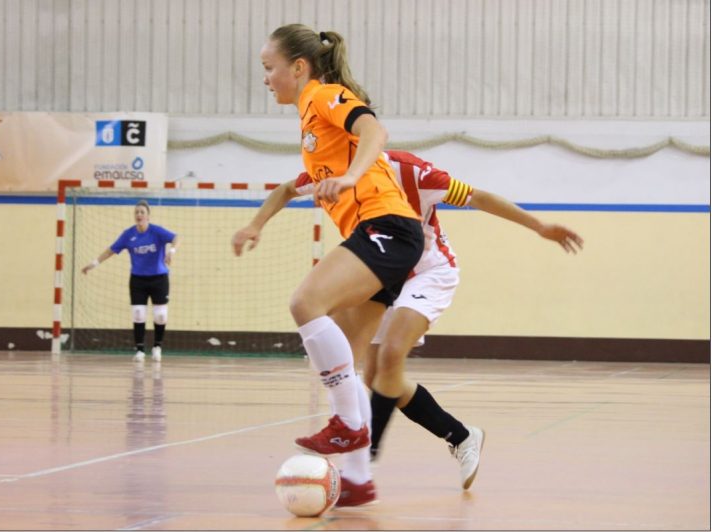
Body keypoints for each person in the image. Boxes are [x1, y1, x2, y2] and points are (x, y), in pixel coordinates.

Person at [235, 149, 583, 495]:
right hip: (378, 272)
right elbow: (284, 190)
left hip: (428, 271)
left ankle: (363, 465)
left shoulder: (409, 170)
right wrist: (254, 224)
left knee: (391, 355)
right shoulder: (329, 171)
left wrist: (539, 226)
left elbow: (478, 197)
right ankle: (461, 436)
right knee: (374, 377)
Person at [233, 23, 425, 507]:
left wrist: (352, 175)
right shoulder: (312, 127)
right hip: (388, 237)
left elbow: (374, 130)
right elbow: (285, 188)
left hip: (387, 226)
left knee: (305, 301)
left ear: (298, 68)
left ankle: (350, 425)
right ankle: (359, 480)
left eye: (269, 68)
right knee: (349, 358)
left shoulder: (324, 96)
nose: (265, 79)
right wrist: (255, 225)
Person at [82, 199, 179, 363]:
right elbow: (111, 250)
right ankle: (140, 350)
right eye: (136, 212)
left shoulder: (156, 231)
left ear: (148, 216)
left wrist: (172, 251)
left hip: (159, 278)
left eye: (142, 212)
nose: (139, 215)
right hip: (138, 280)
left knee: (160, 316)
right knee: (138, 314)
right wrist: (94, 263)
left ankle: (157, 347)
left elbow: (176, 237)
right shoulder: (128, 234)